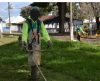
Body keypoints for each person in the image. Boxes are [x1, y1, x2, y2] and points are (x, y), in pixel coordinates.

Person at [21, 6, 52, 81]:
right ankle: (34, 76)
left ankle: (34, 76)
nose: (37, 17)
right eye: (36, 15)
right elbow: (24, 34)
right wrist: (24, 41)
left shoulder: (39, 22)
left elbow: (44, 32)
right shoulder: (27, 22)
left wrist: (48, 40)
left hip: (37, 44)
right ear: (32, 14)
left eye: (38, 16)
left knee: (37, 61)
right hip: (30, 44)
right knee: (32, 61)